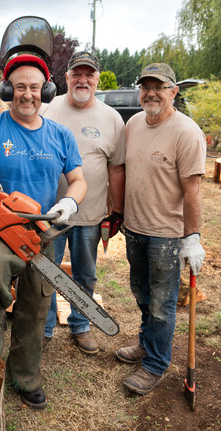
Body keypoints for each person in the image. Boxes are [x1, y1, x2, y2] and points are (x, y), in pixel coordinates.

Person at [0, 54, 87, 409]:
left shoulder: (60, 135)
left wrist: (69, 203)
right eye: (20, 87)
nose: (28, 94)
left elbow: (78, 180)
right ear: (9, 90)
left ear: (47, 91)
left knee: (36, 304)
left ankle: (25, 377)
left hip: (38, 227)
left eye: (35, 88)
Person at [116, 63, 206, 394]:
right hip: (135, 228)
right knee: (141, 293)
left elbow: (192, 191)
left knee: (162, 303)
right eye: (146, 86)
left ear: (174, 91)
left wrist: (192, 238)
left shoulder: (186, 132)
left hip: (167, 236)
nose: (151, 93)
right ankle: (146, 343)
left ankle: (155, 364)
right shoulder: (134, 123)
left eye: (159, 86)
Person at [40, 51, 125, 354]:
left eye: (89, 74)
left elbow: (116, 167)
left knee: (84, 273)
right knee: (47, 270)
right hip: (52, 214)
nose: (83, 80)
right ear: (66, 77)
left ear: (97, 79)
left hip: (89, 214)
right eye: (77, 74)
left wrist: (117, 209)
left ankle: (81, 324)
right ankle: (45, 325)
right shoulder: (48, 111)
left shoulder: (111, 118)